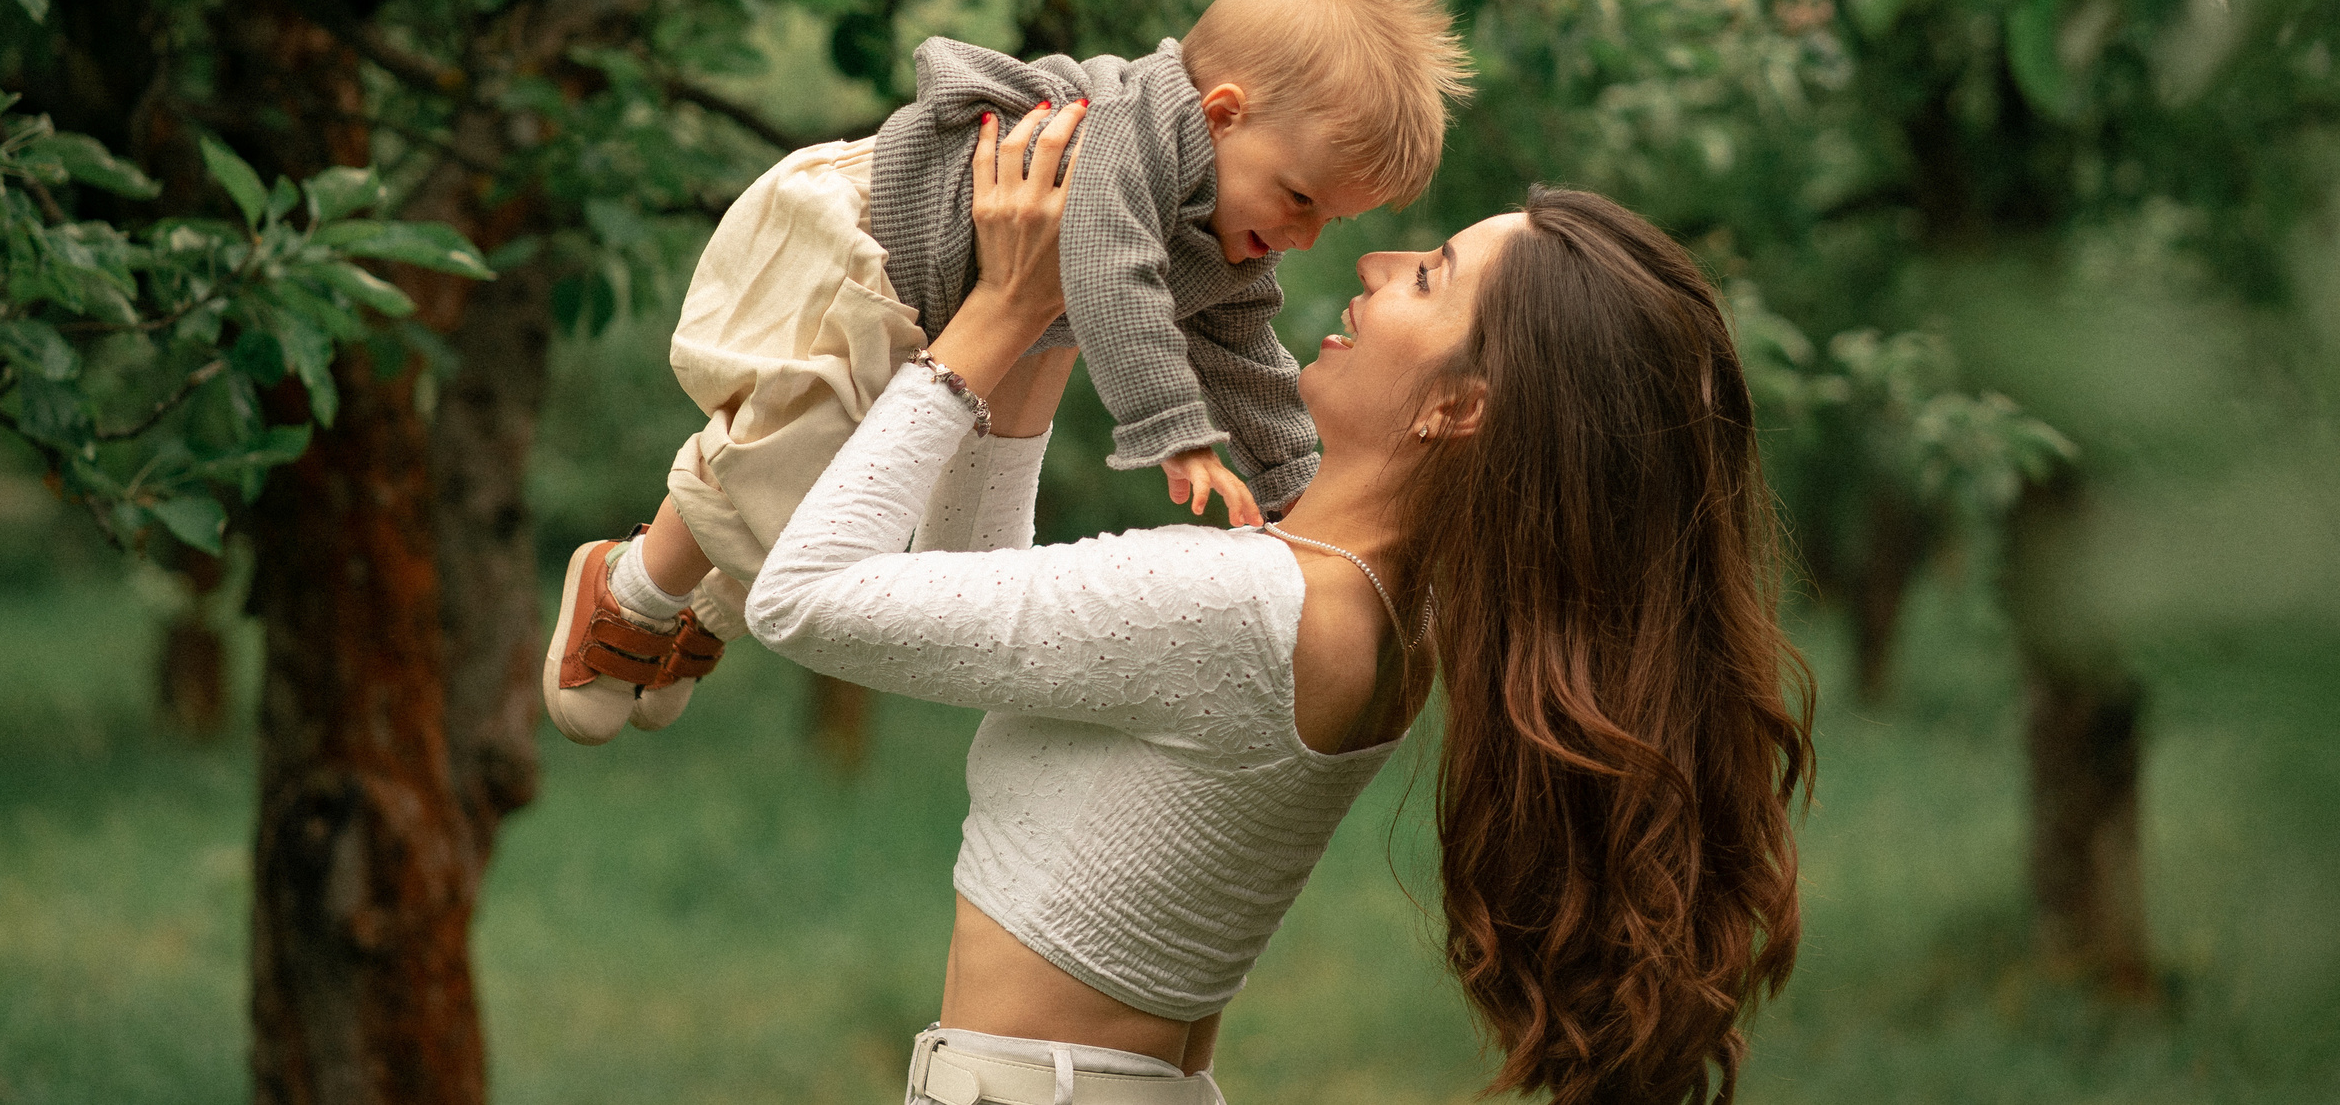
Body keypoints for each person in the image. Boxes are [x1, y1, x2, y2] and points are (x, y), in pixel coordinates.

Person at [745, 103, 1815, 1105]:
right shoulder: (1375, 615)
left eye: (1429, 278)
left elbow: (805, 600)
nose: (1376, 263)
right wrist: (1050, 321)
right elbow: (964, 617)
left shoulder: (1246, 606)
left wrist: (1000, 311)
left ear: (1459, 404)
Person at [544, 0, 1473, 740]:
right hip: (868, 241)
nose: (1305, 234)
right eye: (1300, 196)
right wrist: (1175, 427)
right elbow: (1112, 274)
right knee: (792, 440)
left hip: (933, 300)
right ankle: (629, 589)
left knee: (837, 481)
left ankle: (702, 604)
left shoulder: (1215, 227)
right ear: (1222, 114)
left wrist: (1301, 497)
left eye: (1331, 220)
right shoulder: (1130, 141)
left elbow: (1251, 365)